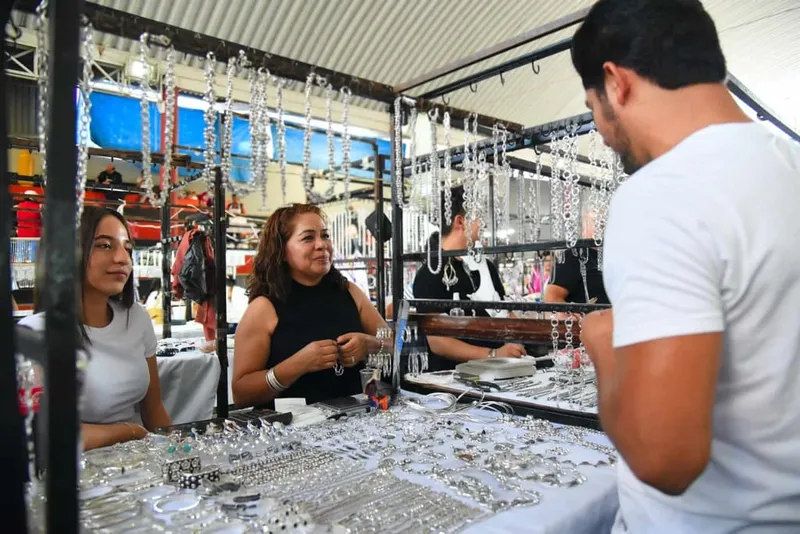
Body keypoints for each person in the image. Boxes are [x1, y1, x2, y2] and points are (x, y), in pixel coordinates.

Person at [573, 1, 800, 532]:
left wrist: (603, 345)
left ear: (615, 82)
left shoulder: (664, 193)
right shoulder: (791, 168)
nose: (601, 132)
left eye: (592, 107)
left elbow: (666, 458)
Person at [20, 207, 171, 450]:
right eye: (105, 245)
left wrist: (175, 453)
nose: (123, 258)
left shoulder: (136, 318)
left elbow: (154, 409)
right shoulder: (36, 335)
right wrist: (129, 431)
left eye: (128, 248)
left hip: (138, 469)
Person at [232, 203, 388, 407]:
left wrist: (370, 344)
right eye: (308, 238)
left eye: (325, 235)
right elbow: (242, 394)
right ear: (281, 250)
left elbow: (393, 344)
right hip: (292, 430)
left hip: (355, 422)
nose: (322, 245)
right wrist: (297, 365)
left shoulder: (349, 291)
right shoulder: (264, 308)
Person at [412, 186, 525, 371]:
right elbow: (438, 341)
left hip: (501, 374)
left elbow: (505, 313)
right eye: (478, 218)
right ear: (460, 221)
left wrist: (517, 340)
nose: (482, 225)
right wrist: (493, 355)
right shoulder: (430, 273)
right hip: (455, 380)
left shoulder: (486, 267)